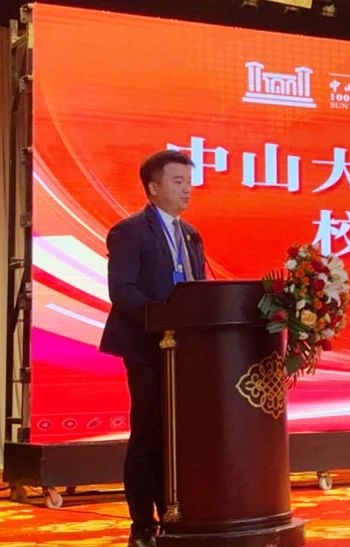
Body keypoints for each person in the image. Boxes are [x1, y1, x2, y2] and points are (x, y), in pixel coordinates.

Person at [100, 149, 206, 547]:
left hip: (185, 353)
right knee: (148, 434)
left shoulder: (190, 234)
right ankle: (142, 525)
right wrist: (164, 318)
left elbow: (197, 290)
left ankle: (175, 514)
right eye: (178, 182)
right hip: (147, 349)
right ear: (154, 187)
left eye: (189, 182)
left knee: (177, 437)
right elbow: (122, 291)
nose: (187, 189)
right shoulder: (129, 232)